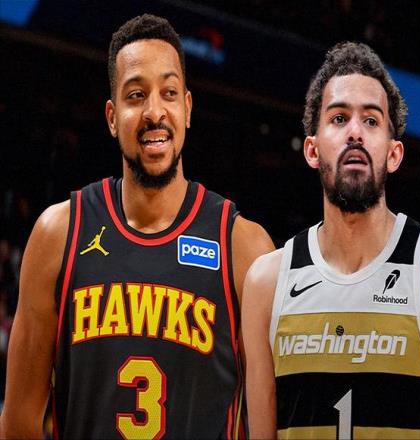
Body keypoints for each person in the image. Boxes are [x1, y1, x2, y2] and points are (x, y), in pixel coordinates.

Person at [0, 14, 274, 439]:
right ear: (112, 117)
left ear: (187, 109)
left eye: (168, 93)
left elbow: (269, 423)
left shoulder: (244, 247)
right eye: (136, 95)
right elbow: (19, 422)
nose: (154, 112)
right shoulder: (58, 234)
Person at [242, 42, 420, 439]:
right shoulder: (266, 281)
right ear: (312, 150)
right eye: (338, 118)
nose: (355, 132)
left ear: (394, 154)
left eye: (371, 120)